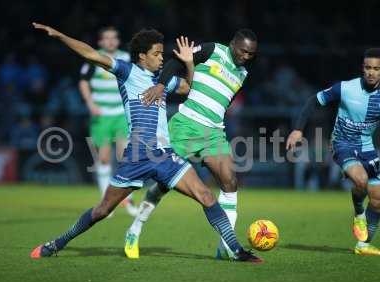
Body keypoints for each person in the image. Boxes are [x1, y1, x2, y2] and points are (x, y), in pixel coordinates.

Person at [30, 22, 262, 263]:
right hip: (138, 157)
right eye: (157, 54)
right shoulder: (127, 73)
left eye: (162, 53)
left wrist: (189, 63)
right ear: (142, 56)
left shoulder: (165, 81)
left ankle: (235, 250)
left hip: (164, 155)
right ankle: (57, 243)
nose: (162, 58)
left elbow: (190, 88)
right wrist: (60, 35)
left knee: (207, 196)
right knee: (102, 211)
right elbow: (90, 54)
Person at [125, 29, 258, 260]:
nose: (246, 56)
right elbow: (178, 62)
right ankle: (134, 229)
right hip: (185, 126)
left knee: (230, 181)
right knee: (163, 185)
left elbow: (220, 101)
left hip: (214, 132)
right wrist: (161, 85)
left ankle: (226, 248)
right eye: (243, 50)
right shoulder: (213, 50)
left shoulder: (243, 73)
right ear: (233, 44)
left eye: (251, 54)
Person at [286, 48, 380, 255]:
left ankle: (363, 244)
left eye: (376, 69)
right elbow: (314, 100)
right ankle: (358, 214)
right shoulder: (346, 88)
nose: (371, 72)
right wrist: (298, 130)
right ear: (362, 68)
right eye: (368, 68)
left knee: (377, 200)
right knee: (361, 180)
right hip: (342, 144)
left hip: (367, 148)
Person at [78, 26, 137, 216]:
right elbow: (83, 81)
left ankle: (127, 201)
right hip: (101, 115)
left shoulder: (126, 58)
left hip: (122, 114)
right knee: (103, 159)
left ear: (118, 41)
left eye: (113, 38)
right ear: (101, 42)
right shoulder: (93, 57)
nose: (110, 41)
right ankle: (106, 203)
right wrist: (90, 103)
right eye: (107, 38)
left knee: (124, 157)